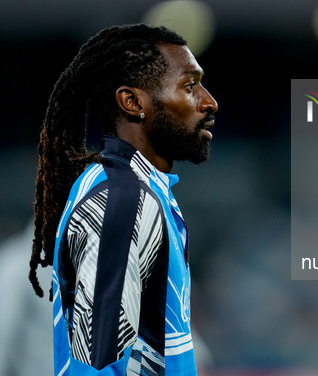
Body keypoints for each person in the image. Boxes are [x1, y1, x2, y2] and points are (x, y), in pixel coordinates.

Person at [28, 24, 218, 375]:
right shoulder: (123, 201)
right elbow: (97, 367)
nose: (209, 102)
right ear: (132, 102)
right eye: (189, 86)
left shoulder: (133, 189)